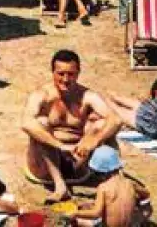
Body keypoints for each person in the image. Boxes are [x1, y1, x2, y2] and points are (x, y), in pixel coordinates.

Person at [22, 50, 122, 202]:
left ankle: (115, 179)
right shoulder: (42, 95)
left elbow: (116, 120)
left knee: (101, 124)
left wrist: (93, 141)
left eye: (71, 74)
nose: (66, 79)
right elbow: (26, 123)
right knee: (41, 123)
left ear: (78, 73)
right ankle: (60, 186)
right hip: (44, 166)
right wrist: (60, 145)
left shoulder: (87, 96)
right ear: (53, 72)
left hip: (77, 161)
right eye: (60, 74)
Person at [74, 146, 147, 227]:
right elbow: (146, 194)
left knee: (77, 221)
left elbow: (96, 213)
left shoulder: (103, 187)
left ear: (102, 172)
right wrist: (136, 201)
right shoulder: (131, 183)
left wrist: (75, 213)